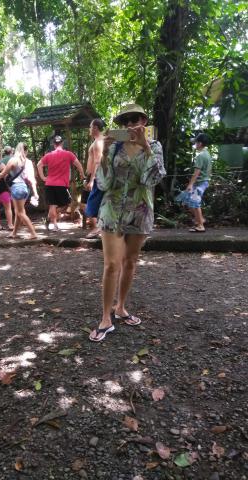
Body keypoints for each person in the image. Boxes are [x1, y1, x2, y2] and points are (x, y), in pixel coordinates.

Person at [89, 104, 166, 342]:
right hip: (112, 210)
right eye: (126, 122)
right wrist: (103, 154)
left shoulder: (154, 146)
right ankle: (105, 318)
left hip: (140, 211)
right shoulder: (116, 146)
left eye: (135, 120)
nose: (131, 125)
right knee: (112, 264)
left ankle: (120, 307)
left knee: (130, 262)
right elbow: (104, 183)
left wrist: (144, 146)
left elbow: (152, 178)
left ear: (144, 121)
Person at [37, 135, 85, 231]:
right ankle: (54, 224)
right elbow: (78, 164)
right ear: (62, 143)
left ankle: (51, 221)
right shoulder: (68, 154)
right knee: (66, 204)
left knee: (52, 205)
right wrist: (82, 174)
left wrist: (43, 177)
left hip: (49, 184)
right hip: (61, 184)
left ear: (54, 144)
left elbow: (39, 164)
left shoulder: (49, 155)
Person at [0, 142, 38, 239]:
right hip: (25, 188)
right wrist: (35, 192)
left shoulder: (14, 160)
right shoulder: (29, 162)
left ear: (16, 150)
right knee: (18, 211)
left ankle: (33, 233)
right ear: (26, 151)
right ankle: (14, 233)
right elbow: (32, 179)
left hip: (17, 188)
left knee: (20, 213)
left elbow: (3, 173)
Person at [177, 133, 212, 232]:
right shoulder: (207, 154)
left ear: (200, 143)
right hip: (203, 182)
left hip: (200, 183)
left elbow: (196, 172)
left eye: (196, 142)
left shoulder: (201, 156)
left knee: (194, 202)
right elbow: (209, 171)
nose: (195, 144)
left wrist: (190, 184)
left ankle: (201, 226)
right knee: (187, 201)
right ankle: (200, 219)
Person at [83, 118, 105, 238]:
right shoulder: (98, 141)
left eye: (90, 127)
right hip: (94, 176)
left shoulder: (98, 142)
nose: (89, 129)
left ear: (95, 128)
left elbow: (98, 161)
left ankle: (98, 229)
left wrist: (92, 179)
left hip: (97, 177)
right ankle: (100, 228)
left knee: (90, 204)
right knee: (95, 203)